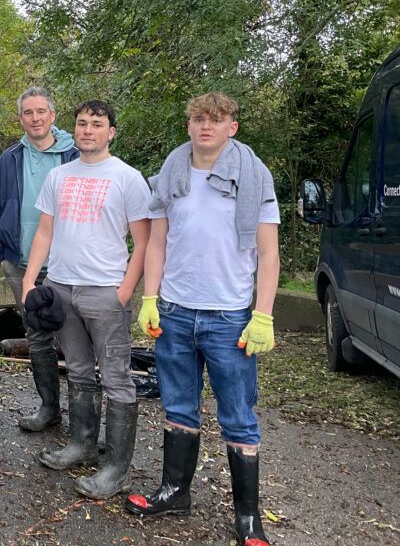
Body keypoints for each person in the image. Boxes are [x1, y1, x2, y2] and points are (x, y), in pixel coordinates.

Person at [125, 93, 280, 546]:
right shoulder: (171, 174)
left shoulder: (254, 176)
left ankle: (248, 518)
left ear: (232, 126)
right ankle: (174, 493)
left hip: (230, 317)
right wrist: (150, 298)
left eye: (216, 119)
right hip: (174, 312)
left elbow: (269, 253)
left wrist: (263, 314)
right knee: (178, 406)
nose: (205, 125)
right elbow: (156, 242)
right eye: (197, 118)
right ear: (189, 125)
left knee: (238, 417)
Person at [21, 101, 151, 499]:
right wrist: (29, 281)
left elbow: (144, 242)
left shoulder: (128, 178)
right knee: (77, 369)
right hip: (62, 289)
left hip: (106, 291)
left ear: (111, 132)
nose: (88, 130)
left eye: (97, 124)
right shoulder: (59, 176)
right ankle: (81, 444)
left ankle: (116, 469)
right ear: (73, 129)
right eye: (82, 123)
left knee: (116, 379)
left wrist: (124, 291)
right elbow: (45, 232)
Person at [0, 87, 79, 431]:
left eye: (41, 111)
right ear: (20, 119)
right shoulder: (10, 158)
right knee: (37, 334)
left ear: (53, 116)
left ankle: (83, 422)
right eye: (28, 112)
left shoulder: (74, 155)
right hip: (20, 260)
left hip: (66, 263)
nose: (35, 118)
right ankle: (49, 409)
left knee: (74, 338)